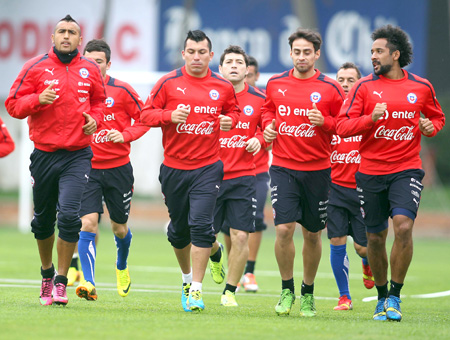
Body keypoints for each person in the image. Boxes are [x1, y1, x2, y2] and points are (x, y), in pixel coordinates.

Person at [337, 25, 445, 322]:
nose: (373, 56)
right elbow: (342, 126)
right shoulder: (363, 88)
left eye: (379, 51)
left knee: (403, 227)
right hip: (370, 172)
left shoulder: (421, 87)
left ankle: (395, 296)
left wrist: (430, 128)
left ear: (395, 55)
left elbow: (437, 118)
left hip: (406, 169)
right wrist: (370, 119)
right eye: (371, 51)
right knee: (374, 238)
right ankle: (381, 296)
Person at [5, 15, 106, 306]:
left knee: (71, 216)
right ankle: (46, 273)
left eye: (72, 32)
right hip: (44, 155)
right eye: (61, 31)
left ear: (79, 39)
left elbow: (99, 102)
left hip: (78, 155)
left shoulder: (89, 69)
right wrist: (38, 99)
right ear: (52, 37)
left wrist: (95, 121)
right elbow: (13, 105)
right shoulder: (35, 67)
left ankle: (61, 281)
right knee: (43, 221)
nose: (66, 36)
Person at [140, 30, 240, 312]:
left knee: (199, 225)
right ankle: (199, 266)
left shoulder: (222, 86)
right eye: (191, 52)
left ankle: (195, 289)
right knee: (178, 232)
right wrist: (168, 116)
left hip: (208, 167)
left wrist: (228, 120)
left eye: (202, 52)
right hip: (173, 169)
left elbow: (234, 113)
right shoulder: (168, 83)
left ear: (210, 55)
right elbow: (145, 115)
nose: (197, 57)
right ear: (183, 54)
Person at [262, 28, 344, 317]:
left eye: (306, 52)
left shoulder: (331, 89)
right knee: (284, 229)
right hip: (283, 167)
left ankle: (308, 293)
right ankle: (287, 289)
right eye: (296, 51)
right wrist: (268, 124)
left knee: (312, 234)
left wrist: (324, 121)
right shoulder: (275, 83)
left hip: (318, 171)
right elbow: (267, 111)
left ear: (317, 54)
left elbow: (342, 125)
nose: (301, 56)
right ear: (290, 53)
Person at [73, 39, 149, 301]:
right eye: (89, 61)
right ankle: (89, 282)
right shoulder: (76, 90)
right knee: (88, 223)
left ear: (108, 64)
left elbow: (144, 119)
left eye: (99, 62)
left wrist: (125, 134)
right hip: (86, 167)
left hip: (118, 170)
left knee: (119, 228)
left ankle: (121, 264)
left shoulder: (122, 90)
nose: (93, 67)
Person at [214, 45, 266, 306]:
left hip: (244, 177)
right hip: (209, 176)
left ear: (247, 70)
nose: (234, 65)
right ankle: (214, 256)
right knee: (201, 236)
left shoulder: (259, 99)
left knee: (241, 235)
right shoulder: (208, 96)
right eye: (229, 62)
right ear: (220, 68)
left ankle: (230, 292)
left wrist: (259, 138)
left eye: (239, 62)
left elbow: (269, 128)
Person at [328, 62, 374, 312]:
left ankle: (368, 262)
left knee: (362, 246)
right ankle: (344, 296)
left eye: (350, 80)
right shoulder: (330, 114)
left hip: (363, 189)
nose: (344, 84)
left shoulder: (366, 115)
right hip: (334, 189)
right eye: (340, 79)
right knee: (336, 240)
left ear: (359, 83)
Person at [241, 56, 270, 293]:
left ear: (256, 76)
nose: (244, 78)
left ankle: (249, 271)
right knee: (228, 225)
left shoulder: (262, 101)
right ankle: (236, 266)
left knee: (256, 218)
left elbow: (271, 134)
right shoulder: (223, 97)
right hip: (227, 171)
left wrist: (260, 139)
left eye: (249, 74)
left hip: (257, 171)